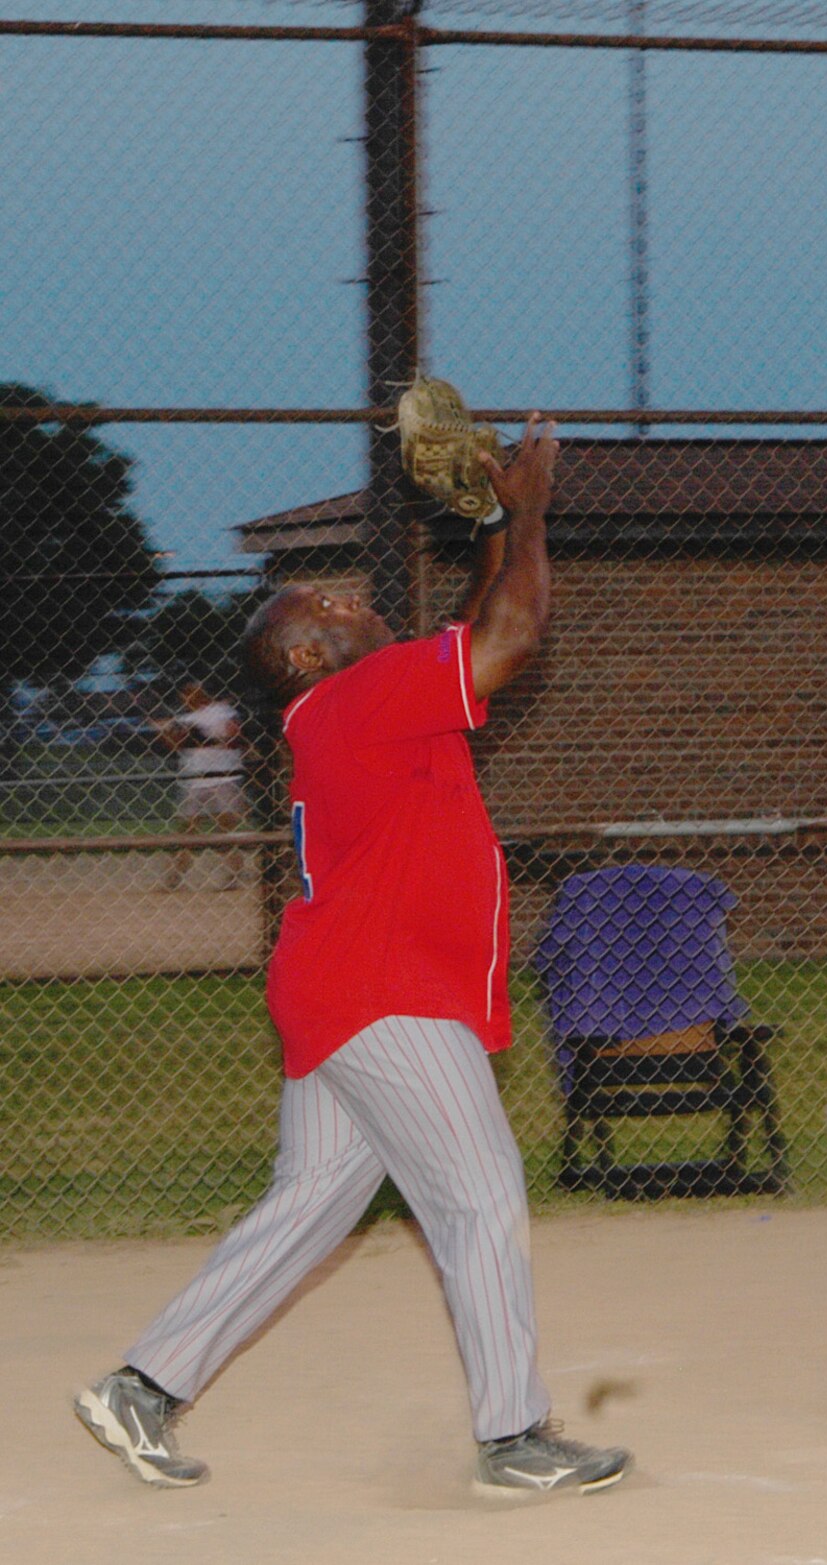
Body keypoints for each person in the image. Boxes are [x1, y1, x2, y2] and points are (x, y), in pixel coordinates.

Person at [74, 416, 630, 1497]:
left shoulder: (358, 709)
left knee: (312, 1199)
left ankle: (146, 1383)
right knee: (477, 1197)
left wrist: (488, 530)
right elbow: (508, 636)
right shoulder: (364, 700)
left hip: (336, 986)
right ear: (299, 656)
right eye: (321, 607)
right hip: (387, 993)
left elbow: (476, 623)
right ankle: (515, 1436)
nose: (350, 600)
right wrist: (522, 514)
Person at [152, 678, 247, 890]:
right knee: (187, 830)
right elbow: (175, 745)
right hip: (195, 779)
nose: (188, 698)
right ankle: (173, 878)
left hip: (224, 777)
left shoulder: (222, 711)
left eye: (192, 692)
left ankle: (233, 875)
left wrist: (200, 735)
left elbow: (233, 737)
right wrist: (165, 731)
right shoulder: (186, 718)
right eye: (185, 695)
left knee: (225, 828)